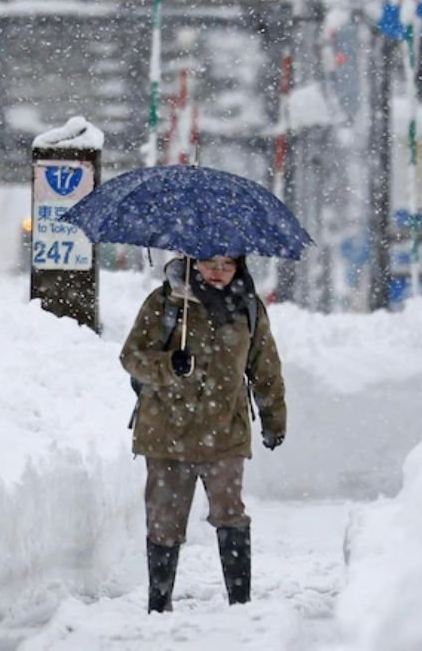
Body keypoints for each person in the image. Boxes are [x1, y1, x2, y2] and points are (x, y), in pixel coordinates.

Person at [120, 254, 287, 613]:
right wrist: (167, 365)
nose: (216, 272)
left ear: (238, 268)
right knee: (164, 522)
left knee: (231, 515)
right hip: (166, 433)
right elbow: (131, 356)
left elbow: (265, 367)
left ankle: (240, 604)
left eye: (226, 265)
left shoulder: (249, 308)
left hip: (225, 432)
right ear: (193, 263)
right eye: (209, 263)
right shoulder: (165, 302)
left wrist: (274, 420)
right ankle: (159, 605)